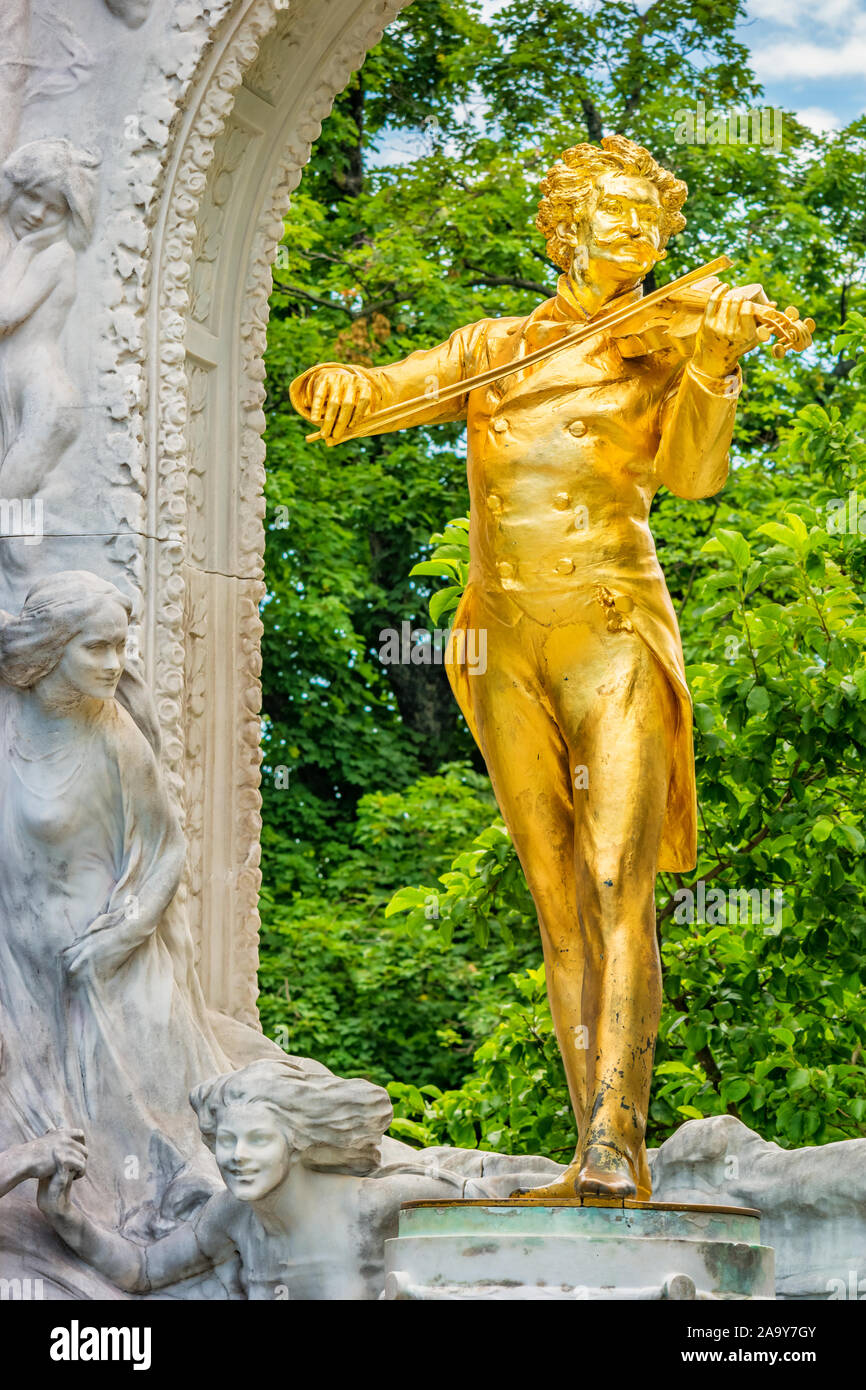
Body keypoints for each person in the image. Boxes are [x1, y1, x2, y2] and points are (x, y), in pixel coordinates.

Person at [290, 136, 811, 1200]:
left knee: (617, 883)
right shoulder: (490, 346)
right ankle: (589, 1147)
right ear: (565, 227)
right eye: (607, 214)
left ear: (663, 237)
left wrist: (714, 359)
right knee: (553, 894)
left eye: (645, 220)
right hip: (497, 643)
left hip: (610, 628)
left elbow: (693, 477)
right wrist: (337, 381)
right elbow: (388, 388)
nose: (629, 233)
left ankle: (621, 1135)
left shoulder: (668, 343)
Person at [0, 570, 234, 1236]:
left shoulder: (114, 734)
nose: (114, 663)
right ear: (49, 649)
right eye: (96, 648)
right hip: (19, 969)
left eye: (119, 646)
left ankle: (150, 1229)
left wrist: (119, 937)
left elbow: (167, 850)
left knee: (157, 1152)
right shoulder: (6, 720)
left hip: (107, 968)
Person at [38, 1057, 562, 1299]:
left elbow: (512, 1220)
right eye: (226, 1141)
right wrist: (65, 1216)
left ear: (297, 1142)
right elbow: (143, 1271)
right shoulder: (233, 1217)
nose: (237, 1156)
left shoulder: (383, 1203)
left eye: (258, 1140)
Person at [0, 138, 99, 497]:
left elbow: (5, 313)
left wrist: (24, 249)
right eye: (32, 196)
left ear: (69, 216)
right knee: (17, 534)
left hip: (47, 402)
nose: (38, 214)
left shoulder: (56, 254)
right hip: (24, 399)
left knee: (7, 516)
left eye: (53, 208)